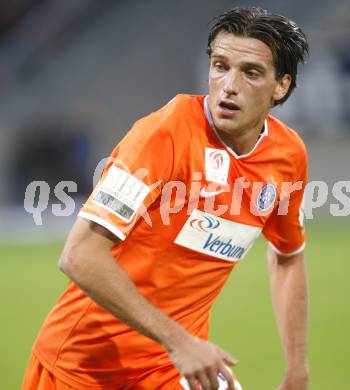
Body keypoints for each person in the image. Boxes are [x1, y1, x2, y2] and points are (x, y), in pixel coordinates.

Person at [23, 6, 310, 390]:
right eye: (220, 65)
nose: (228, 84)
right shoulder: (165, 134)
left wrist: (297, 367)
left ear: (281, 86)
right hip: (82, 368)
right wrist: (180, 341)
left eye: (251, 73)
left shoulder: (287, 156)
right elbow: (79, 254)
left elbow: (288, 257)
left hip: (173, 370)